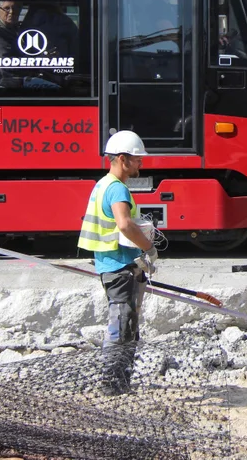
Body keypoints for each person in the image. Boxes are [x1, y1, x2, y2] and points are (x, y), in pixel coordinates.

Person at [77, 130, 158, 396]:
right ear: (122, 159)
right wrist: (149, 248)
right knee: (122, 328)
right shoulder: (117, 189)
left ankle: (119, 383)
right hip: (120, 269)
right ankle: (112, 386)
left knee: (125, 327)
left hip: (111, 267)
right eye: (137, 159)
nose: (140, 164)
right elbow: (124, 224)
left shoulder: (102, 184)